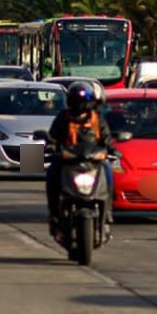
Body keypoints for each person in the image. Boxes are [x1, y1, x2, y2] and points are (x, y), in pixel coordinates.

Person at [46, 81, 113, 241]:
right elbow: (52, 138)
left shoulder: (97, 119)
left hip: (93, 162)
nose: (81, 105)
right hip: (68, 162)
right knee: (52, 172)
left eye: (84, 101)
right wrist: (52, 149)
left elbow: (107, 139)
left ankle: (107, 212)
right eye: (77, 101)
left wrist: (110, 150)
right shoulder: (63, 117)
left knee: (108, 170)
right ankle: (55, 214)